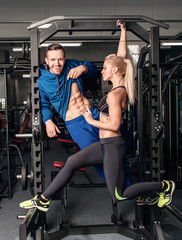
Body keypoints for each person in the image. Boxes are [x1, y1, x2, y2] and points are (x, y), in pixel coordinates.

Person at [20, 54, 175, 212]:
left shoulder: (116, 94)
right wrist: (122, 32)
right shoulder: (116, 89)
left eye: (105, 68)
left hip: (112, 146)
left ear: (115, 70)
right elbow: (121, 58)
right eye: (53, 59)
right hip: (105, 144)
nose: (102, 71)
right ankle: (43, 200)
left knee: (118, 195)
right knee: (72, 162)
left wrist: (90, 120)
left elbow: (114, 125)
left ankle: (164, 186)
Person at [38, 19, 127, 180]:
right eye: (53, 60)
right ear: (46, 61)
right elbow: (44, 105)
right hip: (76, 123)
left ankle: (129, 187)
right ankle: (122, 191)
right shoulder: (43, 81)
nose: (57, 63)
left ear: (64, 58)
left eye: (60, 59)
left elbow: (93, 68)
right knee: (99, 158)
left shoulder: (72, 65)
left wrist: (83, 67)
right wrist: (47, 121)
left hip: (92, 113)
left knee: (116, 149)